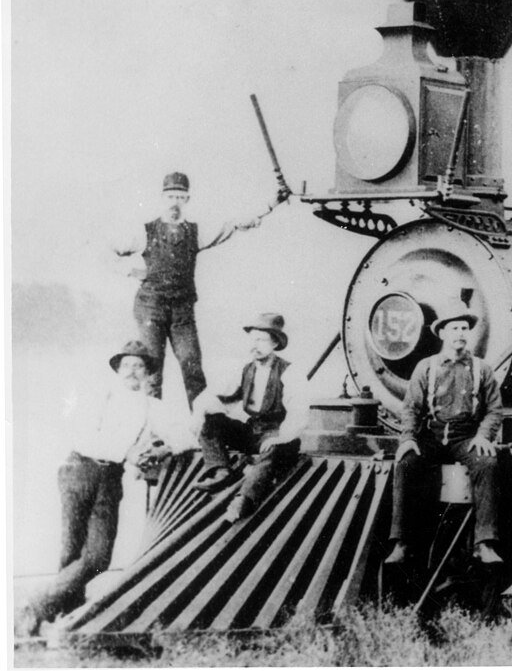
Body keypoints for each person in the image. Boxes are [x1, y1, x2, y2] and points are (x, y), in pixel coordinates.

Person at [15, 341, 173, 638]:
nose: (132, 371)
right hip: (80, 470)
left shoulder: (151, 407)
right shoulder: (102, 395)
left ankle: (35, 606)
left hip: (110, 479)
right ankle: (62, 620)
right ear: (118, 370)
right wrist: (127, 453)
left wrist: (160, 451)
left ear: (148, 373)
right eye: (126, 365)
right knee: (70, 550)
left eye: (139, 366)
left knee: (99, 558)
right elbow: (85, 437)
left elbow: (178, 437)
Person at [111, 172, 285, 406]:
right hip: (150, 309)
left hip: (182, 311)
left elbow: (235, 223)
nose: (174, 203)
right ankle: (151, 426)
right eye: (170, 196)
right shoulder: (145, 232)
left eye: (180, 197)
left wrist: (271, 204)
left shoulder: (196, 233)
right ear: (162, 198)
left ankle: (204, 424)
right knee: (152, 370)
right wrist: (131, 271)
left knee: (192, 365)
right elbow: (106, 251)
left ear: (187, 200)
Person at [385, 301, 505, 566]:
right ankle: (401, 542)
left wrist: (483, 436)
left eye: (464, 328)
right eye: (454, 328)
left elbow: (495, 409)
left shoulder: (482, 369)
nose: (460, 333)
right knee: (405, 463)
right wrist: (408, 438)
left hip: (466, 438)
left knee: (487, 463)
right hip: (432, 436)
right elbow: (411, 408)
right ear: (442, 333)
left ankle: (484, 543)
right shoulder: (426, 367)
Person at [190, 313, 307, 523]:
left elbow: (299, 411)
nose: (254, 345)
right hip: (252, 432)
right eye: (252, 340)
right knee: (210, 420)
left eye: (261, 340)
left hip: (276, 434)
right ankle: (220, 471)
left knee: (274, 449)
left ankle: (243, 499)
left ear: (275, 343)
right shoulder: (244, 369)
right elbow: (212, 395)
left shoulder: (289, 372)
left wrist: (281, 437)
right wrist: (199, 413)